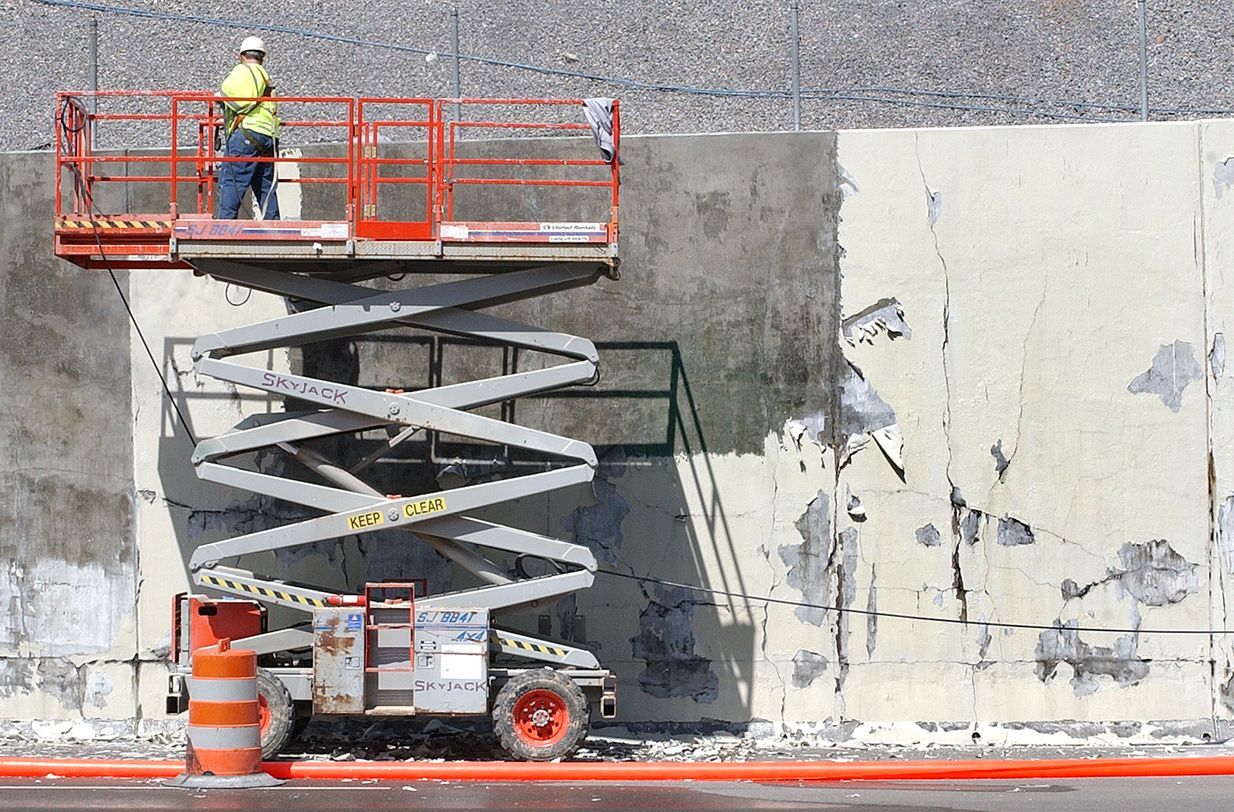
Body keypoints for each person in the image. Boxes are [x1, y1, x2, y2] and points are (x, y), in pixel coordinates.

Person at [216, 36, 281, 220]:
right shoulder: (266, 77)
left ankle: (225, 227)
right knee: (265, 187)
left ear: (242, 55)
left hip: (247, 135)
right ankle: (275, 230)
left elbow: (229, 95)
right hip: (269, 137)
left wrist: (220, 98)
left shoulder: (243, 71)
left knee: (231, 182)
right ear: (263, 57)